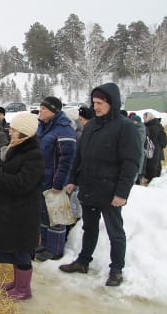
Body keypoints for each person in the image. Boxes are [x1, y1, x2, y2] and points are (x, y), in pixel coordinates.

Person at [59, 83, 141, 287]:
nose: (95, 107)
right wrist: (72, 180)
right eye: (94, 103)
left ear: (111, 103)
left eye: (99, 103)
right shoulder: (91, 126)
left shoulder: (125, 127)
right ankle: (83, 262)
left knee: (115, 231)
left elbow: (131, 162)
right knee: (89, 228)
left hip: (111, 191)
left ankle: (116, 270)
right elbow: (80, 157)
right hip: (89, 187)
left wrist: (122, 193)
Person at [0, 112, 44, 301]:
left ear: (24, 133)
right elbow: (6, 172)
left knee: (22, 252)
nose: (10, 131)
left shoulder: (34, 155)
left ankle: (24, 290)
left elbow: (21, 183)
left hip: (24, 213)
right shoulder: (16, 148)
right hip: (13, 210)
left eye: (14, 129)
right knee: (16, 251)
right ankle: (17, 284)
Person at [35, 96, 76, 262]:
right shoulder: (43, 128)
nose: (40, 110)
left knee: (56, 215)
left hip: (54, 181)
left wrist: (58, 183)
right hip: (42, 179)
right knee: (44, 214)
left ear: (53, 111)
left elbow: (66, 159)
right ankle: (44, 245)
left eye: (44, 108)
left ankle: (55, 249)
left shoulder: (63, 130)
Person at [65, 106, 94, 238]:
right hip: (76, 175)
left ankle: (72, 227)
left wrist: (74, 177)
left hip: (76, 175)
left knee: (73, 204)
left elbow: (77, 158)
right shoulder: (81, 133)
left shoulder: (78, 135)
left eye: (82, 119)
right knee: (73, 203)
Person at [143, 111, 166, 183]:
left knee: (152, 166)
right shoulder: (156, 125)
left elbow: (150, 139)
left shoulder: (153, 127)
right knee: (156, 165)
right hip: (156, 149)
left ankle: (152, 182)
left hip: (153, 150)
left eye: (145, 118)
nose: (144, 119)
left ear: (149, 117)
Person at [130, 114, 146, 184]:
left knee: (134, 174)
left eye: (133, 121)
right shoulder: (136, 128)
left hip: (137, 154)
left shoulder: (140, 129)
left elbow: (136, 141)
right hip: (134, 154)